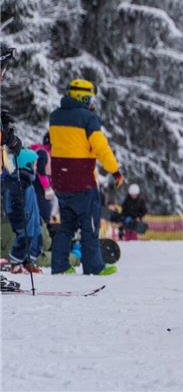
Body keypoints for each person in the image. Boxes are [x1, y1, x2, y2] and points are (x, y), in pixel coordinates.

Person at [49, 79, 122, 275]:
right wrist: (115, 171)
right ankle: (94, 267)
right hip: (82, 181)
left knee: (66, 226)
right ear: (84, 97)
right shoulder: (88, 118)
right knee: (89, 226)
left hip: (61, 181)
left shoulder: (54, 117)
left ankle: (60, 266)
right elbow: (100, 148)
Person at [5, 149, 43, 271]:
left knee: (35, 235)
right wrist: (19, 219)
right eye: (35, 164)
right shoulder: (18, 183)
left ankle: (28, 261)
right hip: (23, 220)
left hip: (32, 221)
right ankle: (16, 262)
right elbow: (12, 205)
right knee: (25, 236)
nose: (36, 167)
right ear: (28, 164)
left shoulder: (29, 182)